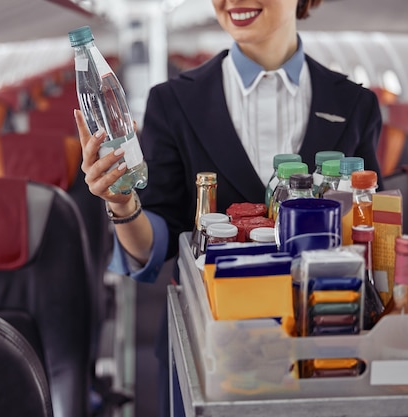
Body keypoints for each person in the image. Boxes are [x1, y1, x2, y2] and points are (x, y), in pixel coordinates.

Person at [74, 0, 382, 415]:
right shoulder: (174, 101)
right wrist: (122, 203)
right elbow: (158, 241)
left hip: (325, 334)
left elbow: (368, 231)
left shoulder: (354, 105)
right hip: (213, 342)